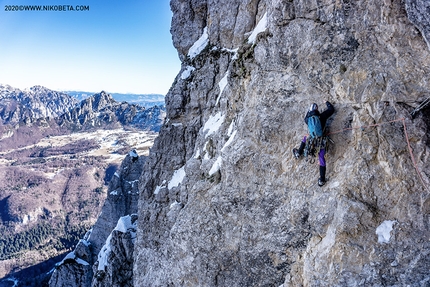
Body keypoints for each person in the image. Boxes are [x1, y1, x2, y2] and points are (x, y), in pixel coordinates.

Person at [293, 101, 335, 186]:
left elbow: (306, 117)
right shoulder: (322, 116)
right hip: (321, 140)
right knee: (321, 157)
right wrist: (326, 102)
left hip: (312, 140)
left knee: (305, 137)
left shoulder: (307, 119)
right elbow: (331, 109)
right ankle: (322, 179)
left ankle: (299, 152)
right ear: (317, 109)